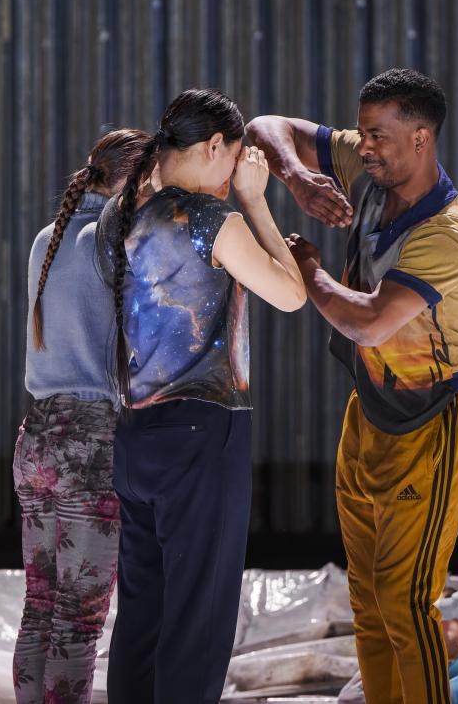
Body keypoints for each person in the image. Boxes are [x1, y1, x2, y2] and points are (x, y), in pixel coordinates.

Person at [247, 67, 458, 704]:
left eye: (378, 135)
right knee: (368, 597)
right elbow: (265, 127)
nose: (366, 146)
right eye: (362, 133)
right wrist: (296, 178)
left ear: (420, 138)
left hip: (434, 421)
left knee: (404, 600)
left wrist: (308, 271)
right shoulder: (368, 166)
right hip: (370, 412)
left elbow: (371, 322)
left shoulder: (449, 234)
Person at [100, 88, 305, 703]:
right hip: (202, 433)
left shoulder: (120, 218)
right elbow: (291, 294)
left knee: (143, 616)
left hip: (134, 435)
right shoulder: (212, 220)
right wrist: (254, 201)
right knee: (199, 620)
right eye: (234, 158)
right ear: (216, 146)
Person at [13, 129, 150, 704]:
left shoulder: (48, 237)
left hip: (36, 439)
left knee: (40, 606)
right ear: (137, 180)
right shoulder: (118, 242)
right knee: (79, 617)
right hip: (90, 445)